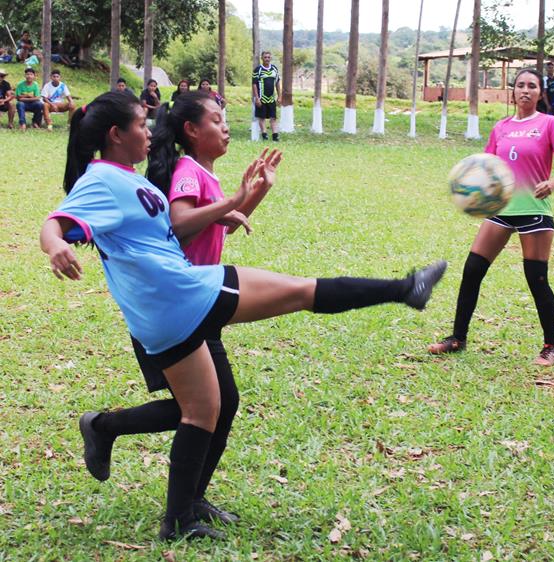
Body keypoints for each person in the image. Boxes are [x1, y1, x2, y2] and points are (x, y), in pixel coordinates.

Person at [40, 90, 446, 540]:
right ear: (115, 135)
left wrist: (247, 197)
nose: (150, 133)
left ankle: (178, 511)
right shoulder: (100, 180)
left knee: (205, 408)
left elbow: (184, 230)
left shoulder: (126, 178)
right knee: (300, 292)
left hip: (172, 305)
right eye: (140, 125)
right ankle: (405, 289)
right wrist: (55, 243)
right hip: (183, 296)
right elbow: (56, 222)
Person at [77, 91, 277, 537]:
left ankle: (189, 499)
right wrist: (232, 203)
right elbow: (183, 221)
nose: (226, 127)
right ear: (191, 130)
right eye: (217, 120)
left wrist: (253, 193)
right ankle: (110, 432)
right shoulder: (188, 174)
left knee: (214, 405)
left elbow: (230, 219)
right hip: (173, 307)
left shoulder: (201, 173)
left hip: (200, 303)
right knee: (204, 407)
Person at [427, 68, 554, 366]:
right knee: (472, 270)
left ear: (540, 92)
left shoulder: (550, 124)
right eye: (520, 85)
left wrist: (553, 182)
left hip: (534, 211)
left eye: (532, 86)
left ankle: (552, 346)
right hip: (501, 211)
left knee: (537, 278)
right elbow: (487, 167)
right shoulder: (502, 127)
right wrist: (471, 190)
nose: (525, 90)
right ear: (513, 90)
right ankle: (457, 338)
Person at [252, 51, 280, 141]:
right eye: (265, 57)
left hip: (271, 98)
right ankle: (264, 134)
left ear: (270, 58)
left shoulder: (274, 69)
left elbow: (277, 83)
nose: (267, 59)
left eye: (268, 57)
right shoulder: (258, 70)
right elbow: (254, 84)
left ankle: (275, 135)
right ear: (262, 58)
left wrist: (280, 96)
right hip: (261, 98)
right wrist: (257, 98)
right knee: (262, 117)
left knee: (273, 117)